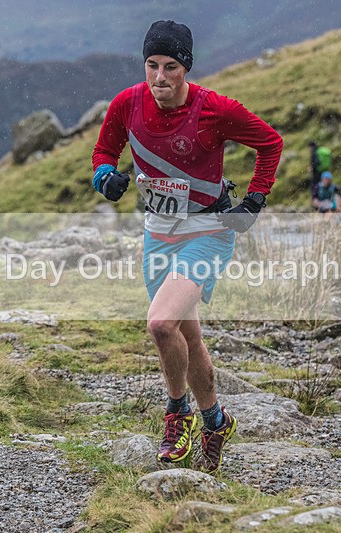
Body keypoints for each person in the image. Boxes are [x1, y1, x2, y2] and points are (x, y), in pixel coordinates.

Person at [91, 20, 283, 473]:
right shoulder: (127, 103)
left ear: (186, 68)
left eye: (170, 67)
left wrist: (254, 201)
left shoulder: (215, 109)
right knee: (185, 334)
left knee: (160, 325)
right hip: (158, 231)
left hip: (208, 230)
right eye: (152, 66)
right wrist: (106, 178)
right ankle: (215, 420)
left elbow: (270, 143)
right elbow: (103, 153)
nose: (159, 78)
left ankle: (177, 415)